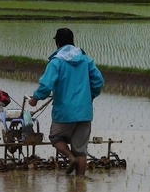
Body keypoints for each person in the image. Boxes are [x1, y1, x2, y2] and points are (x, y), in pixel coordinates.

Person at [28, 27, 104, 176]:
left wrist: (35, 98)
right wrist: (89, 97)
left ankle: (70, 158)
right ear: (72, 42)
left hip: (64, 113)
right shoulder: (86, 60)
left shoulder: (56, 62)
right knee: (81, 150)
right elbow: (98, 81)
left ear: (57, 43)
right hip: (84, 112)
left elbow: (46, 85)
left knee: (55, 137)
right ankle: (80, 186)